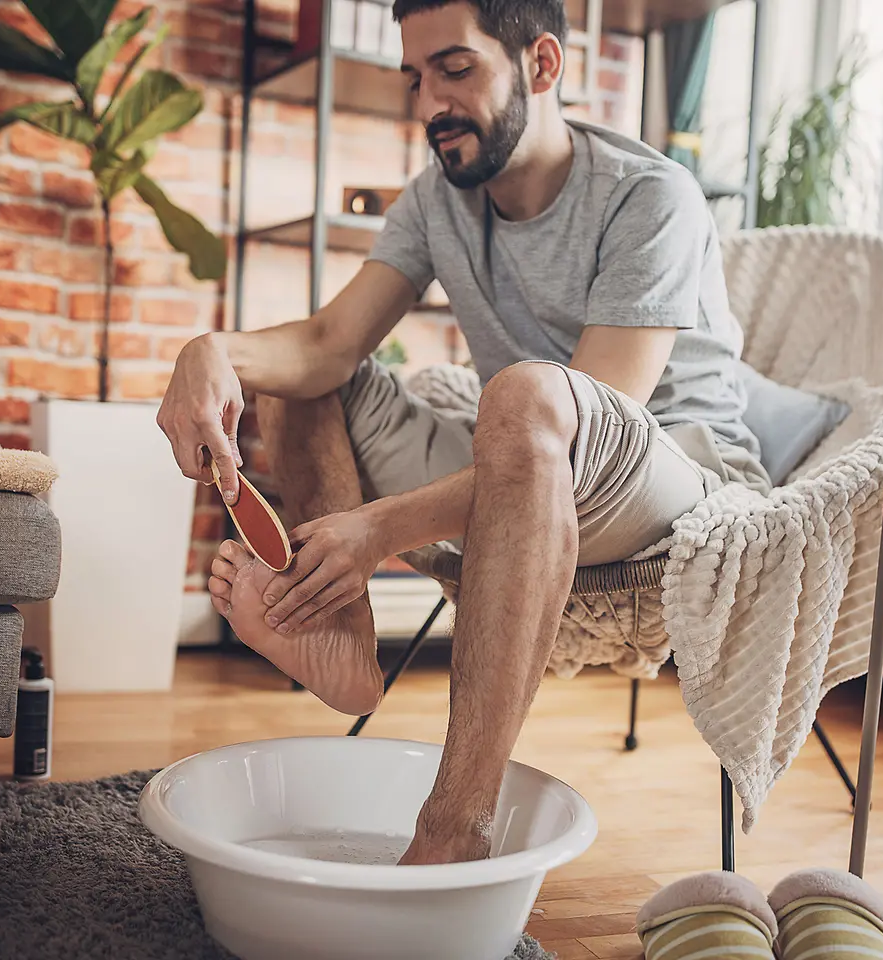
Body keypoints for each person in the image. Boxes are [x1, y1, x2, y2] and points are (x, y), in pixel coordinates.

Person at [156, 0, 769, 865]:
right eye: (415, 79)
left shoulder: (650, 197)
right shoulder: (435, 201)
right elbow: (328, 345)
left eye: (455, 68)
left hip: (670, 478)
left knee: (524, 399)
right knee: (304, 383)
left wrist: (378, 528)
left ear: (543, 66)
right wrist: (211, 350)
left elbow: (594, 428)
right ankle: (338, 635)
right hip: (524, 457)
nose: (428, 105)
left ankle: (455, 828)